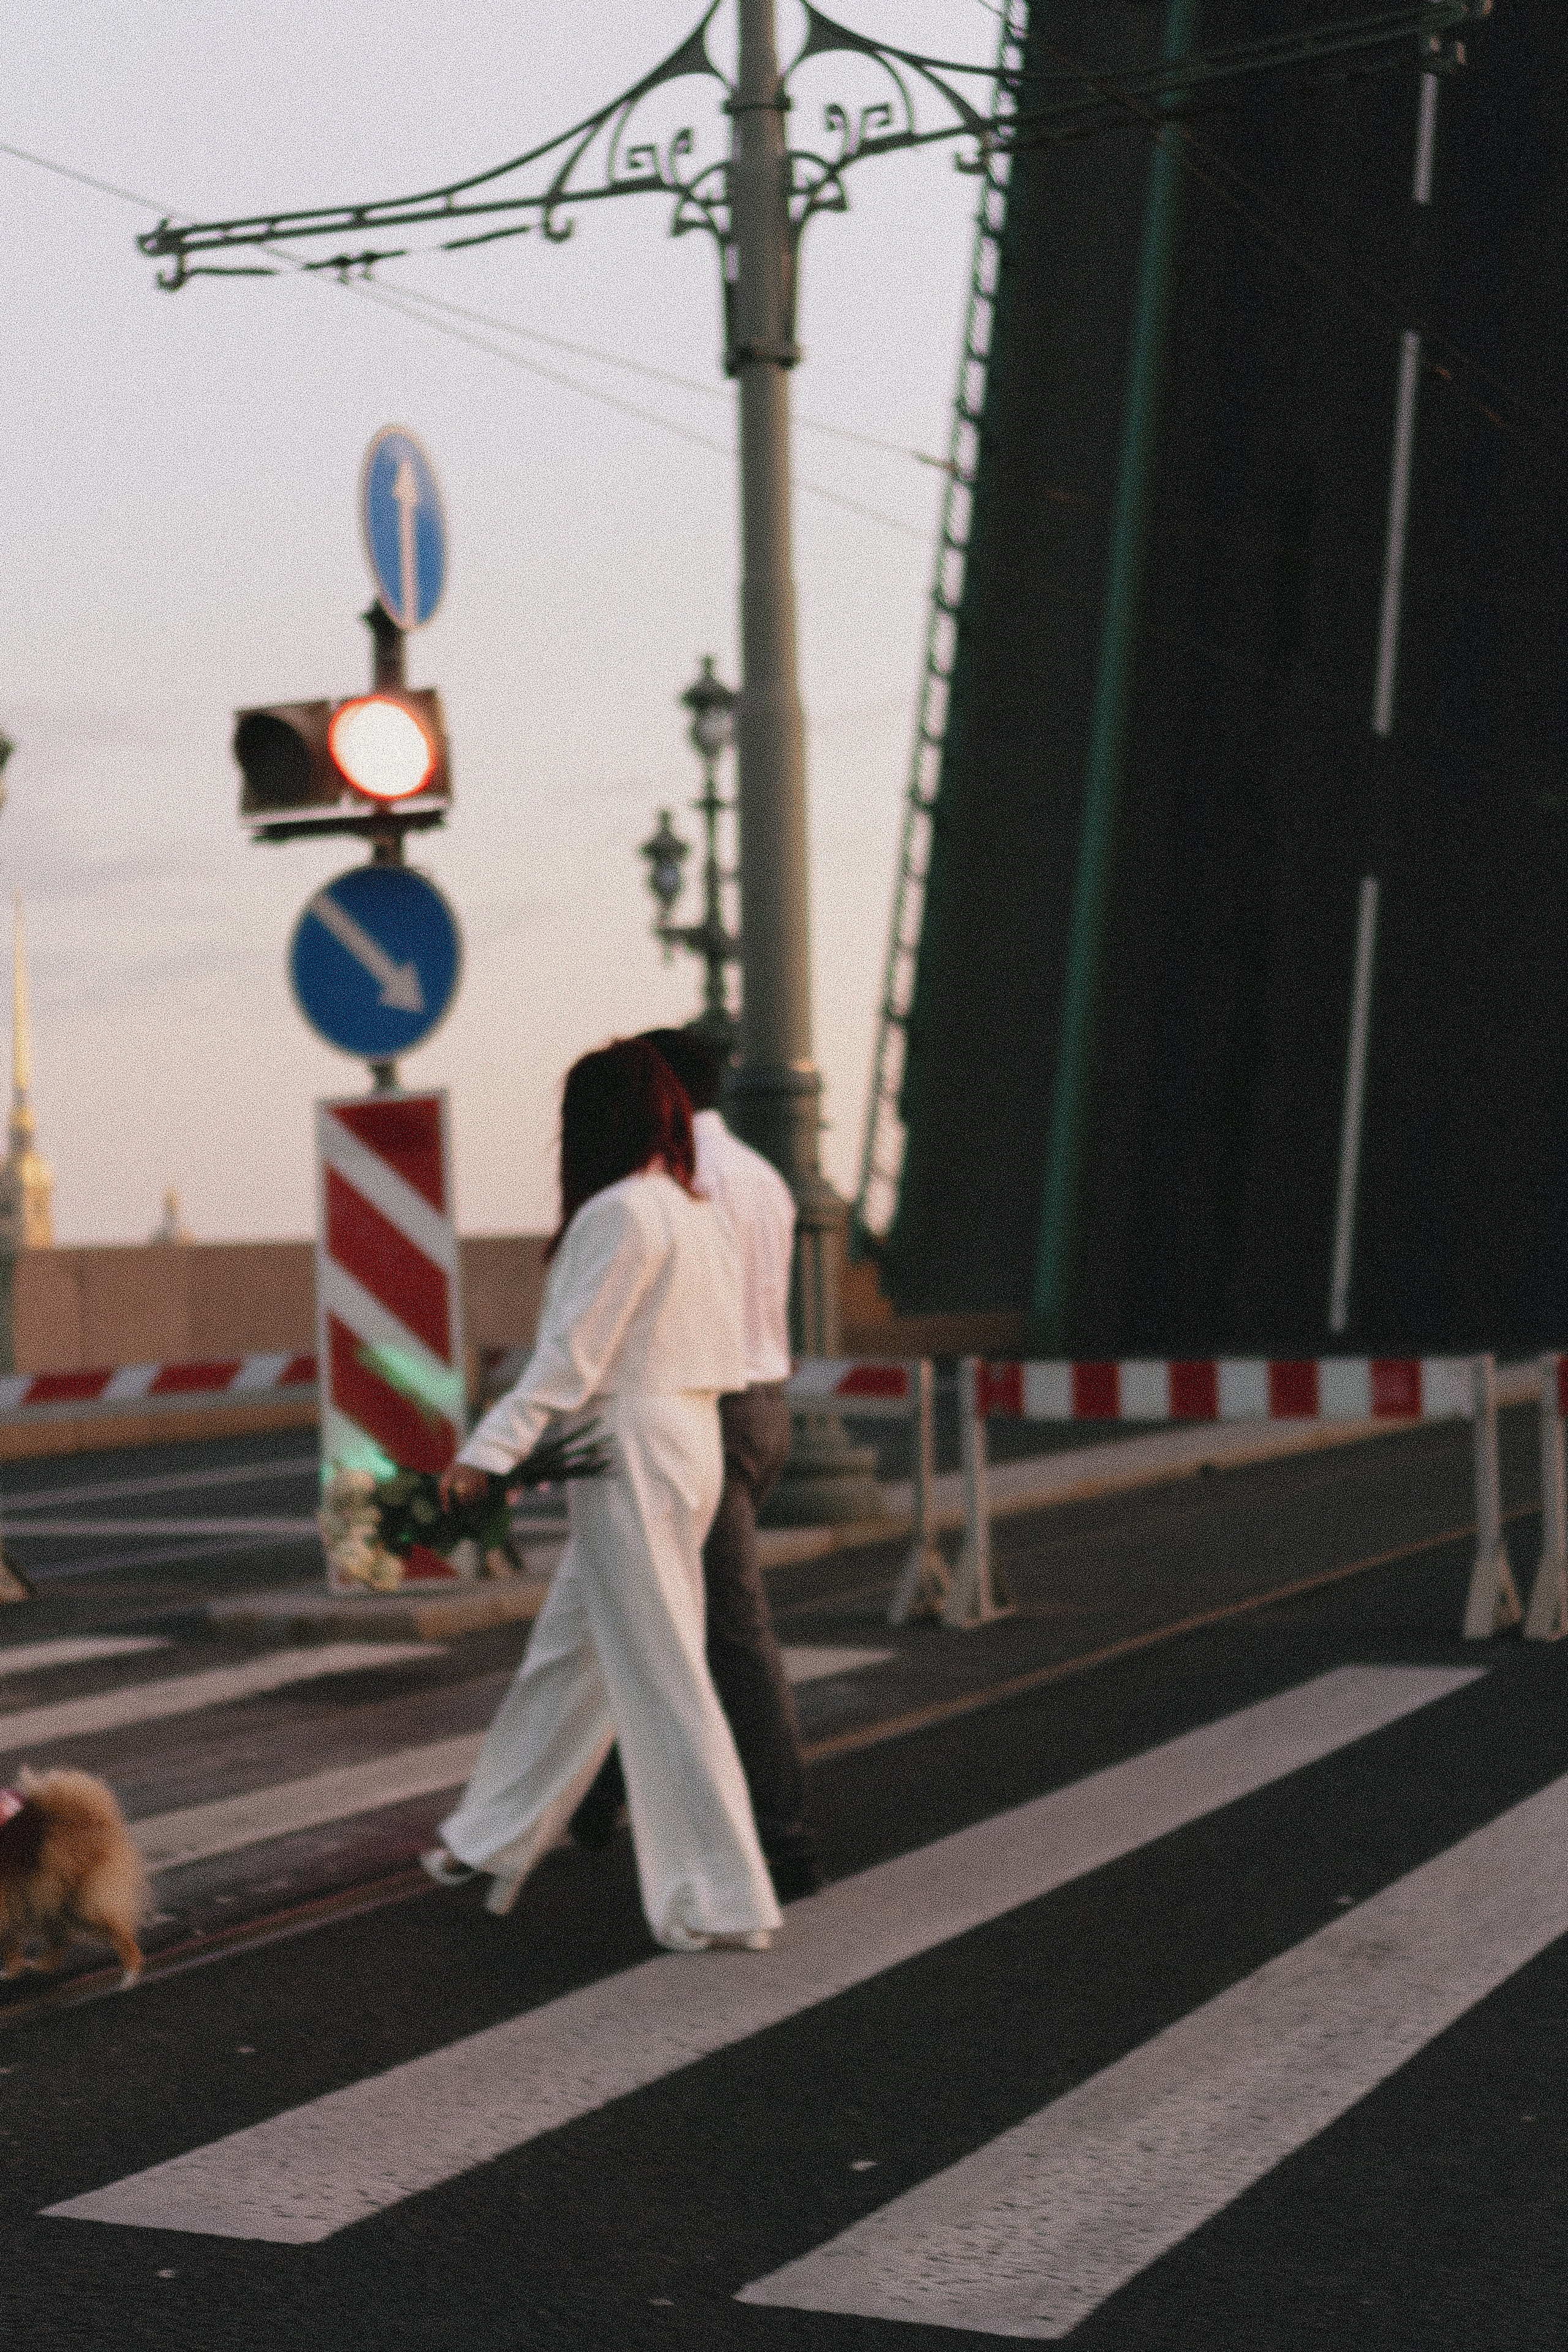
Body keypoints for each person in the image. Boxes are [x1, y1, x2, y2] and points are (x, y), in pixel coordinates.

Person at [423, 1038, 782, 1954]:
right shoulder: (691, 1210)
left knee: (662, 1671)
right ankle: (491, 1833)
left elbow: (568, 1364)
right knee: (571, 1651)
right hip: (690, 1436)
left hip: (633, 1444)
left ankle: (723, 1891)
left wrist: (484, 1457)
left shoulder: (618, 1215)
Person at [571, 1025, 820, 1898]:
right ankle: (598, 1793)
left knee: (728, 1633)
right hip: (766, 1407)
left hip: (702, 1411)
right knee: (650, 1605)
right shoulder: (763, 1176)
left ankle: (784, 1840)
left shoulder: (680, 1185)